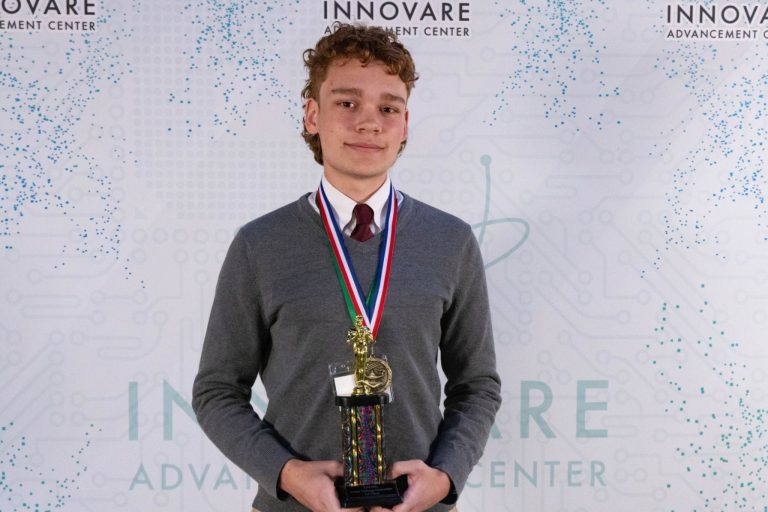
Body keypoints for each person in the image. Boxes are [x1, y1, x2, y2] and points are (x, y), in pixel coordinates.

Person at [192, 23, 501, 512]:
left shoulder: (451, 240)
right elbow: (216, 392)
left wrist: (445, 476)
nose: (369, 123)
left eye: (388, 108)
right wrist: (288, 474)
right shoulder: (259, 244)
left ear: (404, 124)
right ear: (313, 115)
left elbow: (477, 386)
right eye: (348, 103)